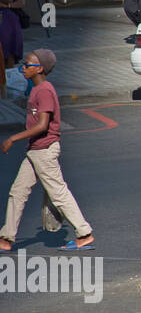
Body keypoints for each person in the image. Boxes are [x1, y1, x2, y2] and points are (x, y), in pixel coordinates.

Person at [0, 49, 95, 252]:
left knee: (58, 192)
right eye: (23, 65)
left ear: (40, 69)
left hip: (44, 150)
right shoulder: (35, 89)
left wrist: (13, 138)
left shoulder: (44, 91)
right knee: (17, 192)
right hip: (35, 150)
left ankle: (84, 233)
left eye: (27, 65)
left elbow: (43, 125)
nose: (23, 68)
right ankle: (6, 238)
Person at [0, 0, 24, 91]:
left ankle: (10, 78)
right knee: (3, 48)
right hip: (2, 22)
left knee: (11, 49)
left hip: (11, 21)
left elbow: (21, 1)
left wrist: (8, 6)